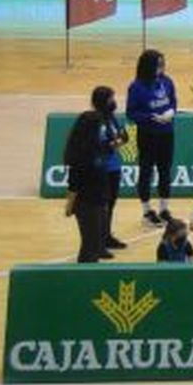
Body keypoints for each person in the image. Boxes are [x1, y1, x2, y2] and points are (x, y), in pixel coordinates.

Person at [62, 86, 123, 263]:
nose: (103, 132)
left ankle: (92, 266)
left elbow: (114, 142)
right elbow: (73, 183)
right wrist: (69, 205)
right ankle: (84, 273)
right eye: (100, 130)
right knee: (90, 246)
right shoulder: (81, 158)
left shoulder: (99, 152)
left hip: (99, 200)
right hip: (86, 203)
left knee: (95, 244)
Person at [126, 49, 178, 226]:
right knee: (146, 172)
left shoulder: (167, 81)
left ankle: (164, 209)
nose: (162, 67)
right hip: (148, 135)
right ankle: (147, 211)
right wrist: (150, 117)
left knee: (165, 171)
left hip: (167, 133)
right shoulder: (137, 87)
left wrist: (171, 112)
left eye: (163, 64)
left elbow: (173, 101)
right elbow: (131, 113)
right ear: (149, 66)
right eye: (158, 64)